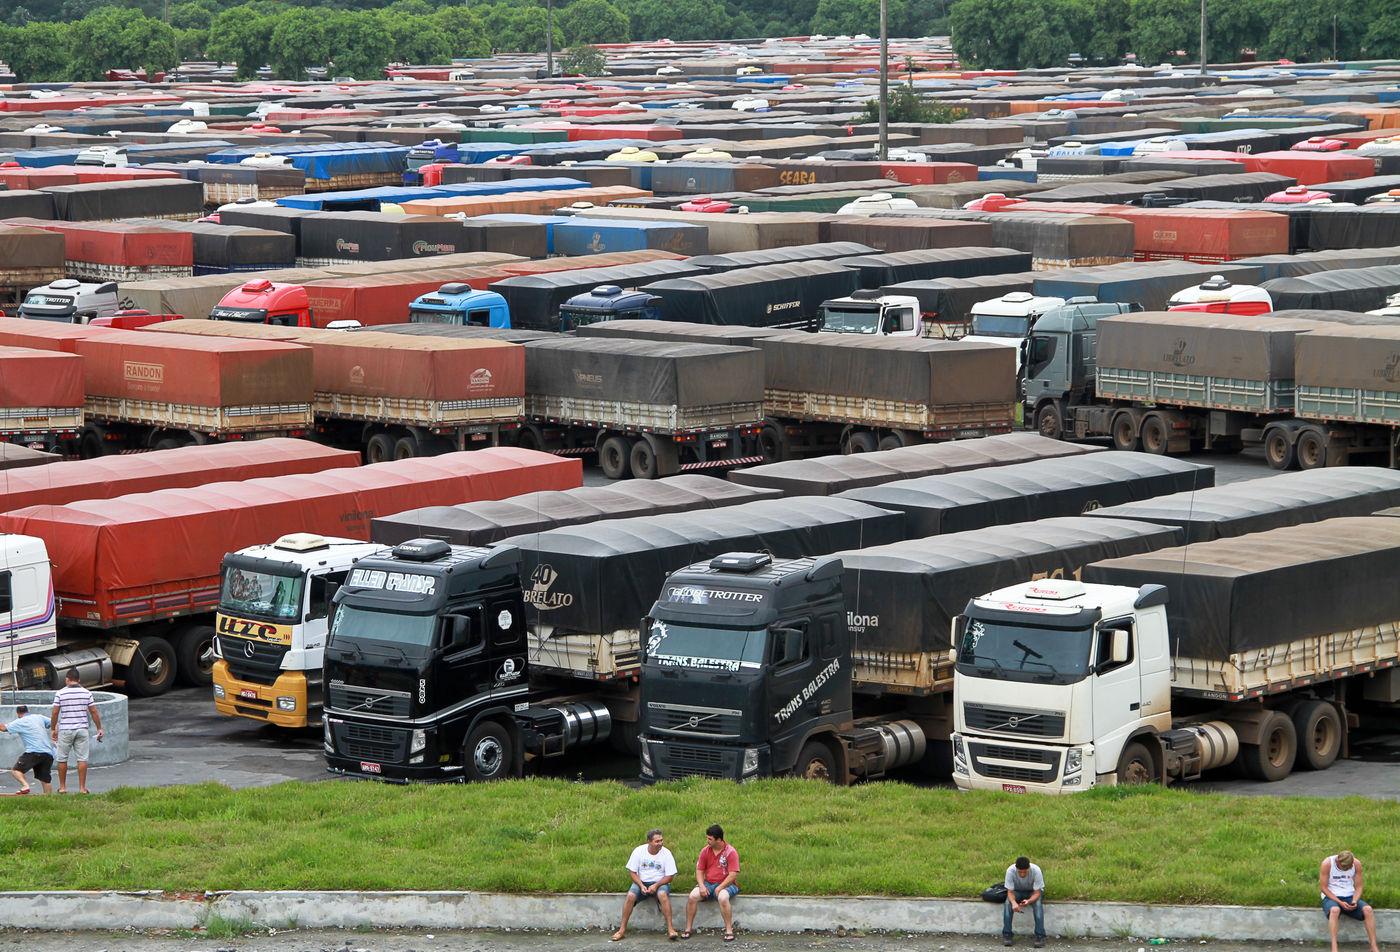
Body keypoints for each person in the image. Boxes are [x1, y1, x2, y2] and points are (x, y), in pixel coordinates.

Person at [611, 828, 678, 942]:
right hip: (641, 882)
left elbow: (670, 876)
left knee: (662, 894)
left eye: (661, 840)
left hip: (660, 882)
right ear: (649, 841)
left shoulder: (666, 853)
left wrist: (656, 885)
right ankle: (621, 930)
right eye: (657, 841)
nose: (660, 843)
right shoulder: (638, 851)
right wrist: (641, 885)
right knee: (630, 896)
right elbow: (632, 872)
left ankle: (671, 929)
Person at [683, 824, 740, 942]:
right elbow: (699, 870)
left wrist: (720, 887)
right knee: (692, 896)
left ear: (718, 840)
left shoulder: (730, 852)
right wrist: (701, 886)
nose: (707, 841)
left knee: (723, 897)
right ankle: (688, 928)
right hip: (708, 883)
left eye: (710, 839)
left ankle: (729, 930)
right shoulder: (705, 851)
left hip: (728, 884)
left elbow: (733, 874)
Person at [50, 670, 103, 794]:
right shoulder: (87, 693)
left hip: (65, 730)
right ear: (79, 680)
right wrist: (99, 728)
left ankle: (62, 788)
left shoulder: (60, 693)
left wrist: (53, 729)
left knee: (62, 758)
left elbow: (55, 712)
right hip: (82, 729)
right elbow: (93, 711)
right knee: (82, 759)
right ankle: (82, 788)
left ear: (67, 679)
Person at [1320, 851, 1380, 952]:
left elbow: (1359, 886)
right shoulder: (1327, 863)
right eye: (1344, 867)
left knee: (1368, 910)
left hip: (1349, 895)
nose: (1347, 869)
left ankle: (1373, 946)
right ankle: (1334, 947)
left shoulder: (1356, 864)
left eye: (1349, 867)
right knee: (1334, 910)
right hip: (1331, 896)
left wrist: (1355, 900)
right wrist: (1339, 902)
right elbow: (1323, 888)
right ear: (1338, 861)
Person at [0, 705, 55, 795]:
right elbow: (53, 722)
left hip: (34, 752)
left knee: (16, 770)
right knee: (45, 779)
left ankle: (25, 786)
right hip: (48, 753)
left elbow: (3, 728)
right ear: (27, 711)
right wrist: (55, 732)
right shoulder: (39, 717)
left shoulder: (19, 722)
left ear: (18, 713)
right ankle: (49, 798)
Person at [1003, 855, 1046, 947]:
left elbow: (1037, 893)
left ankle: (1040, 936)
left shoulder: (1036, 870)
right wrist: (1014, 903)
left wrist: (1029, 901)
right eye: (1020, 872)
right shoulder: (1010, 871)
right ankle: (1007, 935)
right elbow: (1010, 892)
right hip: (1017, 891)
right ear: (1016, 868)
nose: (1022, 874)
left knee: (1038, 905)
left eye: (1025, 872)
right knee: (1007, 903)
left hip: (1033, 892)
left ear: (1029, 868)